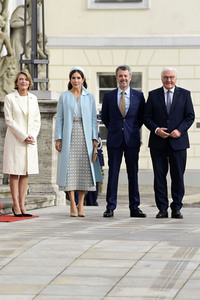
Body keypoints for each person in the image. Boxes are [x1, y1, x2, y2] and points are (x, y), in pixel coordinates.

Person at [144, 67, 195, 219]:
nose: (169, 80)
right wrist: (156, 129)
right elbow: (147, 117)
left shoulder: (185, 94)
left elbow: (190, 116)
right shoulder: (153, 95)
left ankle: (176, 208)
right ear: (161, 79)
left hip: (178, 143)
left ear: (176, 78)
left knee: (178, 176)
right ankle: (162, 209)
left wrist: (180, 130)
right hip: (158, 143)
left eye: (171, 77)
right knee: (159, 177)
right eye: (166, 77)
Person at [55, 66, 102, 217]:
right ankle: (72, 205)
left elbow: (94, 119)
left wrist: (95, 138)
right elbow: (60, 118)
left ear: (83, 80)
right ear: (70, 80)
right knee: (70, 170)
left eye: (78, 78)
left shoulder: (90, 96)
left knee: (83, 171)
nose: (76, 80)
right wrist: (58, 138)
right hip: (69, 134)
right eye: (73, 78)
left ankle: (81, 204)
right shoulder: (64, 96)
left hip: (85, 136)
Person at [101, 65, 146, 218]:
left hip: (132, 140)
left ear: (130, 77)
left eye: (126, 76)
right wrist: (116, 129)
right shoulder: (108, 96)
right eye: (120, 76)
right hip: (114, 140)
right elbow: (105, 117)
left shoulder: (138, 96)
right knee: (113, 174)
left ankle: (135, 207)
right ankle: (110, 207)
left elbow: (141, 118)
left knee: (133, 174)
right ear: (116, 77)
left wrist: (129, 129)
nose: (123, 78)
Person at [3, 70, 41, 217]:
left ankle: (23, 205)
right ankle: (16, 205)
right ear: (16, 82)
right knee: (15, 171)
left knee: (25, 172)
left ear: (29, 82)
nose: (23, 81)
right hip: (15, 140)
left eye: (25, 79)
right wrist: (23, 136)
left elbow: (37, 120)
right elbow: (9, 120)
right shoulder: (10, 98)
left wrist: (32, 136)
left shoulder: (33, 98)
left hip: (30, 141)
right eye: (20, 79)